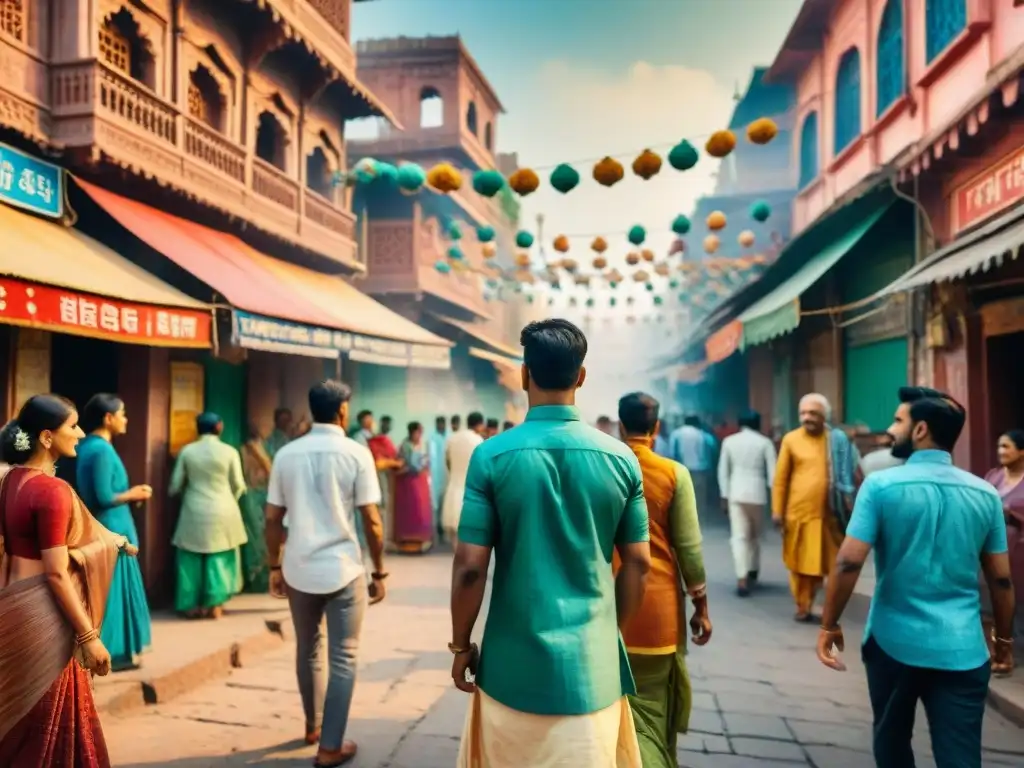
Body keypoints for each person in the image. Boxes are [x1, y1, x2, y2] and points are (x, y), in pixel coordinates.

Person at [451, 318, 649, 768]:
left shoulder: (491, 456)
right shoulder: (621, 458)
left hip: (509, 670)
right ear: (581, 377)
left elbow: (468, 566)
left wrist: (461, 644)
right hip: (592, 675)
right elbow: (638, 564)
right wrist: (608, 633)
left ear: (524, 375)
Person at [816, 387, 1015, 768]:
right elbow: (1001, 581)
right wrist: (1003, 641)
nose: (891, 429)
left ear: (921, 429)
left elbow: (848, 563)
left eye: (898, 421)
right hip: (963, 648)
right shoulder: (986, 494)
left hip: (893, 642)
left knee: (892, 742)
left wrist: (829, 624)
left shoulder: (880, 486)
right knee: (960, 754)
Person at [0, 394, 140, 766]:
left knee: (15, 725)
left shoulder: (9, 480)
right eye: (72, 426)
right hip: (43, 615)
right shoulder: (52, 491)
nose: (80, 434)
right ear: (47, 437)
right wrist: (90, 638)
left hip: (9, 608)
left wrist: (112, 541)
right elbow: (57, 572)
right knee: (46, 724)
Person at [265, 379, 388, 767]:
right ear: (342, 411)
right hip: (343, 568)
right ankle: (331, 747)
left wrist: (274, 564)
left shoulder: (287, 453)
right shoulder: (356, 452)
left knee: (308, 648)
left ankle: (313, 727)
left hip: (298, 567)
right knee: (344, 656)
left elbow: (272, 518)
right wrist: (380, 571)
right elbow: (371, 519)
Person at [615, 392, 710, 768]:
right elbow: (689, 548)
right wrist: (701, 606)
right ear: (656, 427)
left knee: (611, 714)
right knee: (652, 718)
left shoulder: (604, 467)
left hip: (607, 610)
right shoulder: (673, 473)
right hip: (658, 614)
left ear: (621, 425)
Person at [75, 393, 153, 670]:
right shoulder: (101, 450)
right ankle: (113, 653)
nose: (125, 419)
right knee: (113, 591)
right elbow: (104, 495)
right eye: (122, 413)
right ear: (108, 418)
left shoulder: (87, 447)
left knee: (108, 589)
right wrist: (134, 493)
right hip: (112, 526)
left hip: (106, 524)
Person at [772, 393, 852, 621]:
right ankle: (802, 604)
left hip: (829, 515)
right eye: (804, 413)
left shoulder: (836, 440)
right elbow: (781, 478)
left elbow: (847, 474)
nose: (807, 418)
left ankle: (818, 602)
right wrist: (777, 510)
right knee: (798, 564)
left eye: (813, 413)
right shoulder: (791, 440)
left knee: (825, 563)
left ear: (824, 416)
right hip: (798, 513)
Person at [169, 412, 248, 619]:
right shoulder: (229, 452)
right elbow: (238, 485)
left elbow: (175, 485)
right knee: (220, 557)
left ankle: (189, 605)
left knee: (189, 557)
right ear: (219, 427)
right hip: (224, 508)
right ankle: (215, 605)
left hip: (194, 509)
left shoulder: (187, 451)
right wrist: (229, 499)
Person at [717, 410, 776, 597]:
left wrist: (724, 495)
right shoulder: (765, 442)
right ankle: (753, 570)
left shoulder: (729, 441)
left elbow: (723, 471)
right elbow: (773, 475)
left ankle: (741, 577)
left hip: (736, 493)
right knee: (756, 536)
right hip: (758, 494)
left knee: (739, 537)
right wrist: (775, 501)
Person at [984, 428, 1024, 645]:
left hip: (1020, 552)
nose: (1000, 451)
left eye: (1006, 446)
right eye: (999, 446)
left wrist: (1011, 512)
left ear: (1022, 451)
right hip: (995, 549)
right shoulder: (993, 476)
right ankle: (1001, 644)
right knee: (994, 597)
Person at [441, 411, 485, 547]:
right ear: (480, 425)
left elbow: (447, 462)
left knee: (455, 529)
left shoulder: (453, 438)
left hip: (454, 487)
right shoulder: (478, 441)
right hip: (471, 490)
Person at [239, 422, 273, 593]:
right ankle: (258, 579)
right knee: (257, 536)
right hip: (254, 494)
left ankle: (258, 578)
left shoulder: (246, 449)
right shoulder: (253, 448)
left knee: (257, 535)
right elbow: (269, 469)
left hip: (256, 494)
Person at [393, 422, 433, 553]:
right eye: (418, 433)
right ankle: (406, 542)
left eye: (421, 433)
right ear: (412, 432)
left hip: (420, 481)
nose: (420, 436)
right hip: (408, 483)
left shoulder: (422, 445)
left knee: (422, 510)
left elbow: (426, 461)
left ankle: (421, 541)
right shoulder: (405, 446)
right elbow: (406, 464)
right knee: (410, 510)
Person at [669, 416, 712, 516]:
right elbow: (709, 451)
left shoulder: (676, 433)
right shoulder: (703, 434)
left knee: (682, 496)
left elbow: (672, 453)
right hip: (700, 470)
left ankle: (683, 517)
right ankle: (699, 518)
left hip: (681, 469)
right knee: (699, 497)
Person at [427, 416, 448, 536]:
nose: (440, 425)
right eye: (438, 423)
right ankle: (436, 530)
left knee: (446, 503)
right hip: (435, 475)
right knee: (435, 504)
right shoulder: (432, 437)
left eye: (442, 423)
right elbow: (430, 456)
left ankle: (443, 529)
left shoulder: (450, 436)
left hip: (446, 473)